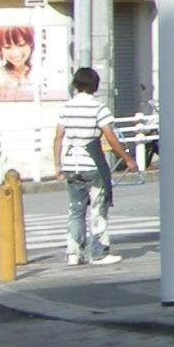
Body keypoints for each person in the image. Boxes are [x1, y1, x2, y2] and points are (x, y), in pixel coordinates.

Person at [58, 68, 126, 266]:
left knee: (76, 210)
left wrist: (57, 165)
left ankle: (73, 253)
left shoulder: (66, 108)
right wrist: (126, 158)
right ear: (95, 86)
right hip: (92, 164)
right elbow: (110, 137)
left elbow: (58, 137)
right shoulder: (98, 108)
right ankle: (98, 253)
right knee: (98, 209)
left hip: (71, 165)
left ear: (76, 84)